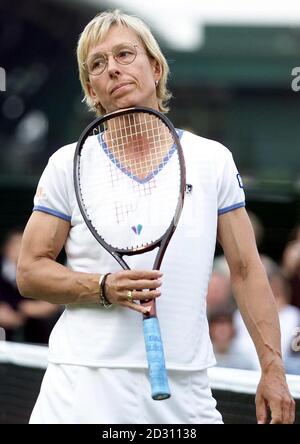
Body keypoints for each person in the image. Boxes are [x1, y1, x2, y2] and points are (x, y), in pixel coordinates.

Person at [16, 10, 295, 424]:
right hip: (81, 385)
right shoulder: (65, 165)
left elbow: (246, 270)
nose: (112, 68)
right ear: (90, 89)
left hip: (186, 386)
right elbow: (29, 271)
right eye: (97, 64)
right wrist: (103, 286)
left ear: (156, 66)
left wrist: (273, 369)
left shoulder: (212, 159)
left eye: (125, 54)